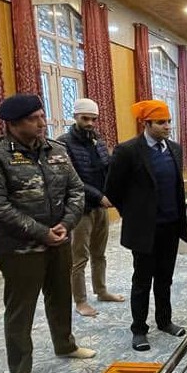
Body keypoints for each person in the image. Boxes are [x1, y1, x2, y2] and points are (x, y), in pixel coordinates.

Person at [0, 94, 95, 373]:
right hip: (18, 247)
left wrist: (65, 224)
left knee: (61, 295)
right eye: (33, 118)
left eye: (42, 115)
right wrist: (41, 232)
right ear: (12, 124)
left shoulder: (57, 149)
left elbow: (76, 190)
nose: (42, 122)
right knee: (21, 307)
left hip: (59, 239)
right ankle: (21, 367)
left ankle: (65, 345)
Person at [104, 100, 187, 352]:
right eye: (161, 122)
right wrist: (134, 215)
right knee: (142, 281)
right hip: (145, 231)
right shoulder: (128, 151)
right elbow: (113, 190)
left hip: (171, 227)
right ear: (146, 123)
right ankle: (139, 330)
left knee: (165, 279)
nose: (167, 127)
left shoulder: (174, 149)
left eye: (169, 122)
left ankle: (165, 321)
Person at [57, 98, 124, 317]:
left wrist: (111, 193)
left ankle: (101, 290)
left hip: (100, 207)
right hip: (80, 209)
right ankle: (80, 300)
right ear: (75, 117)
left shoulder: (98, 141)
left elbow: (106, 171)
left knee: (99, 253)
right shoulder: (63, 143)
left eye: (93, 119)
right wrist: (98, 196)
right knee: (79, 257)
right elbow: (71, 178)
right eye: (85, 118)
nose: (90, 123)